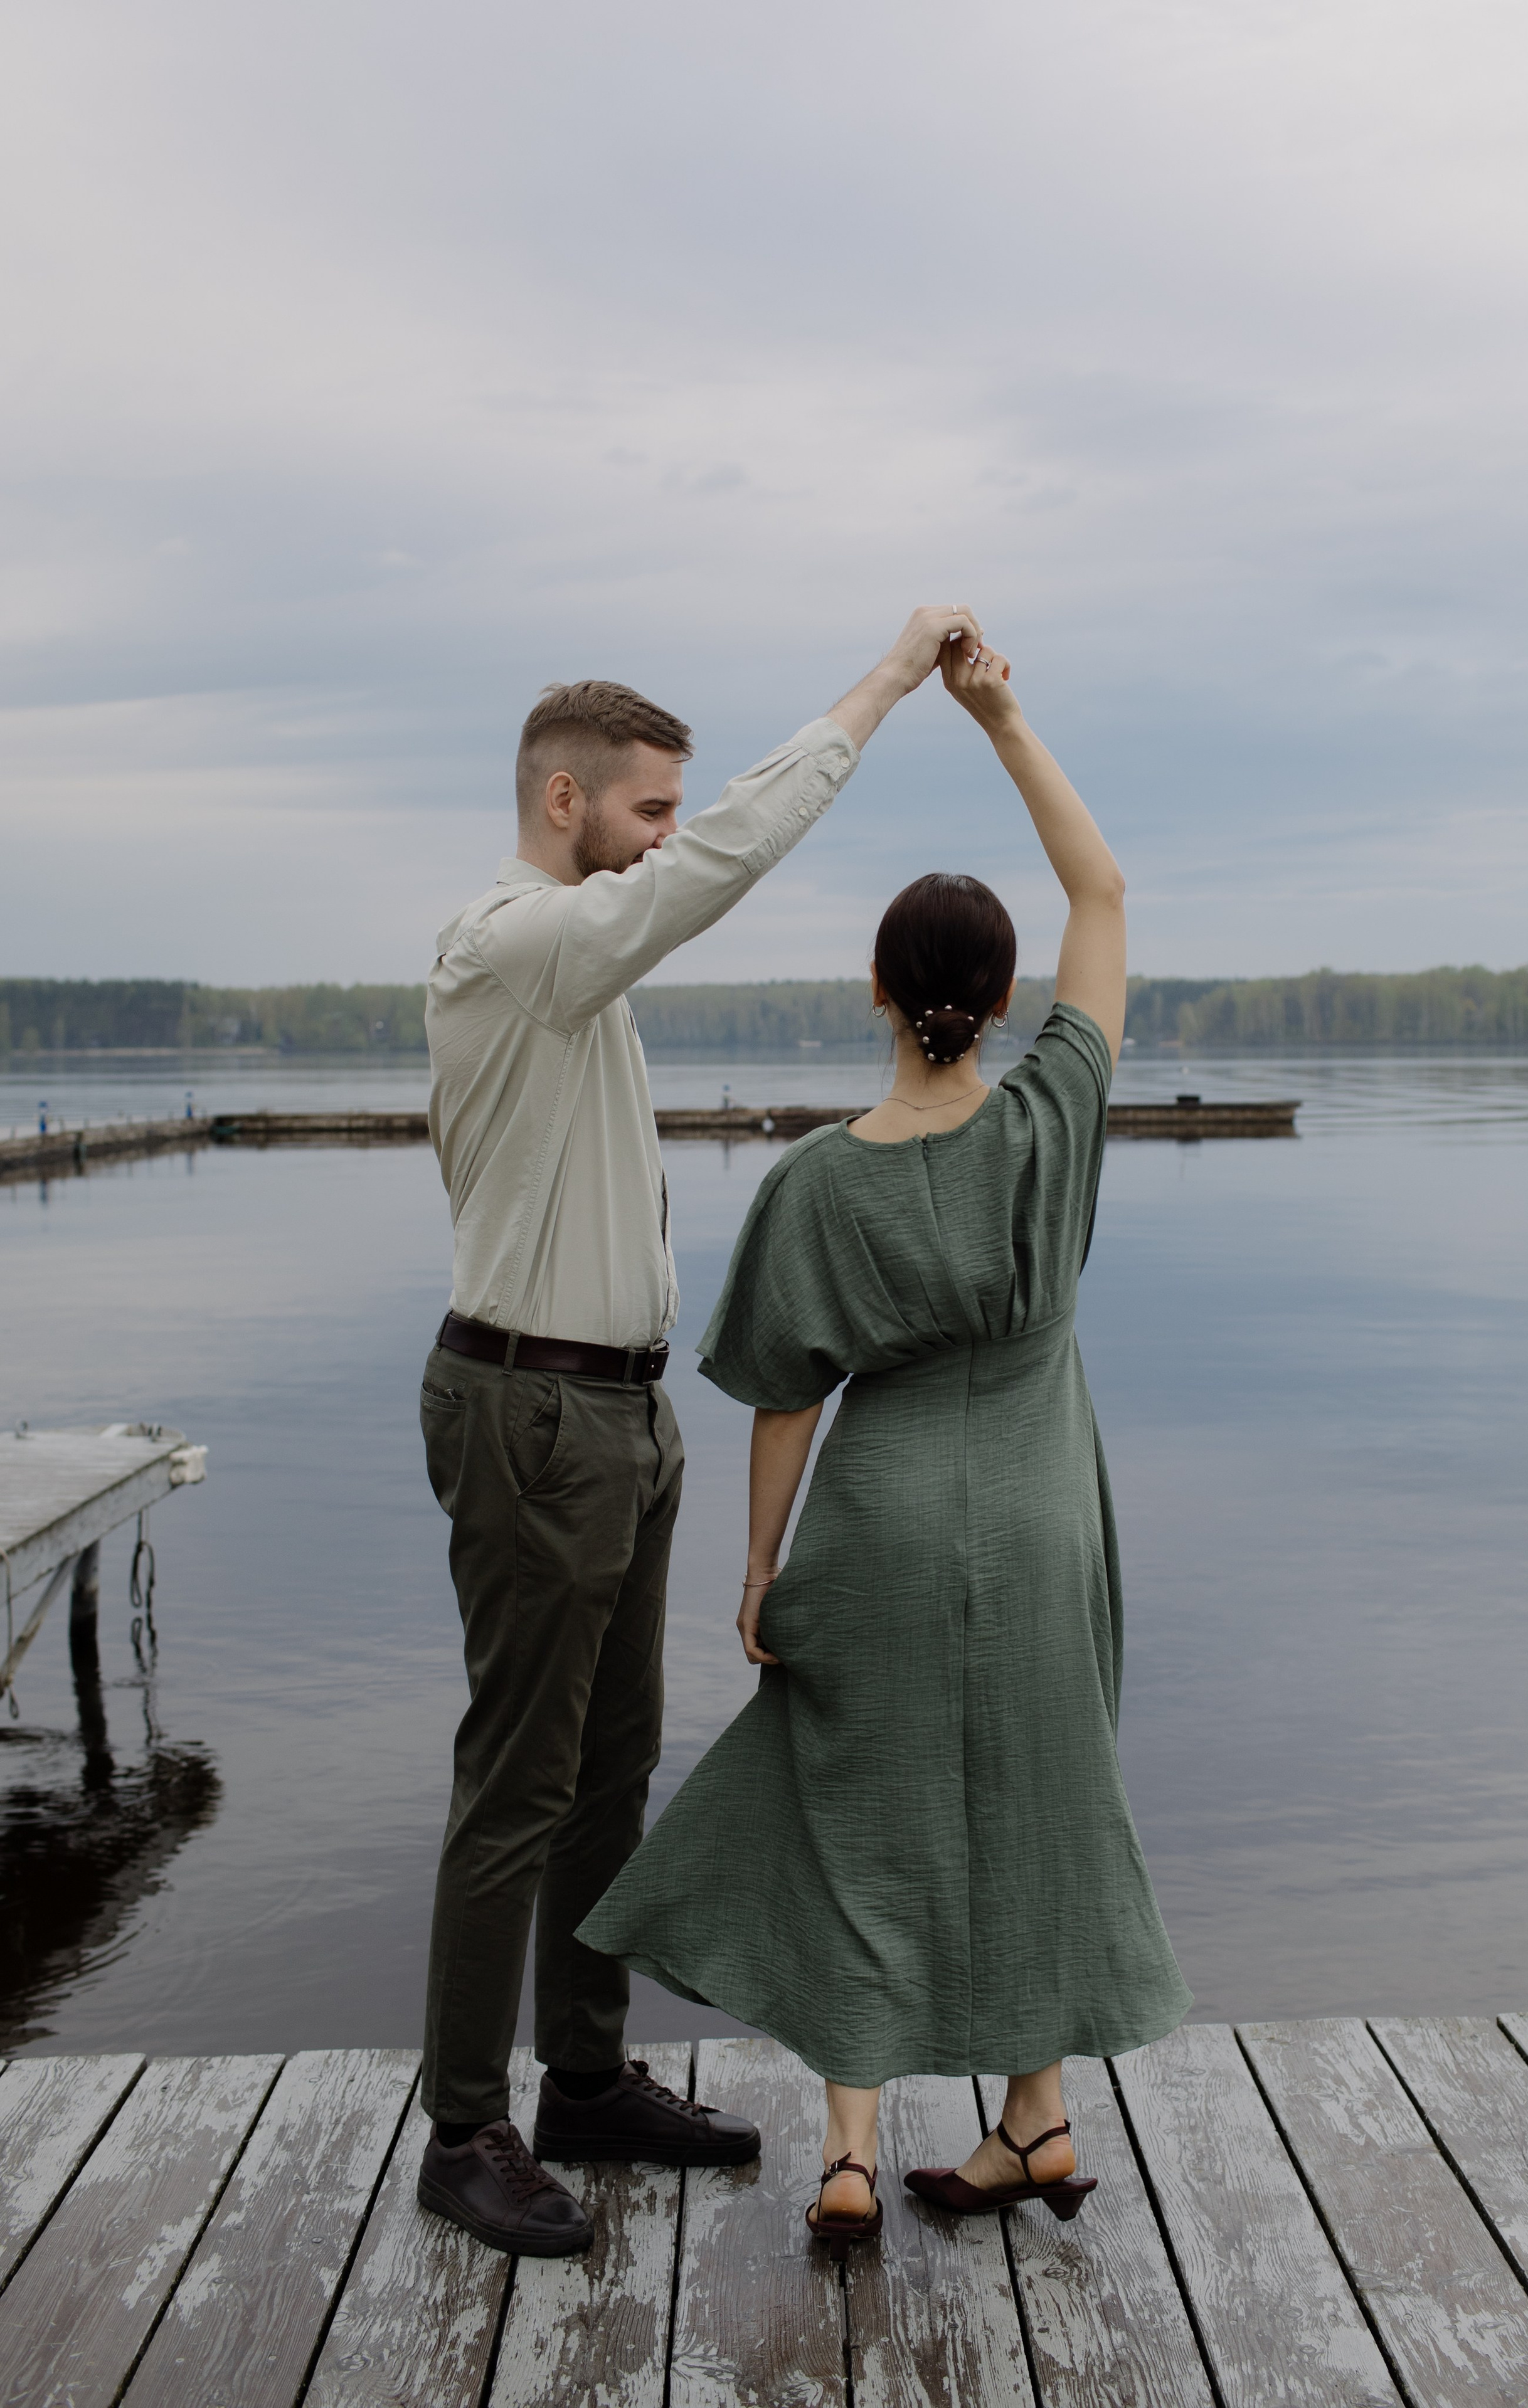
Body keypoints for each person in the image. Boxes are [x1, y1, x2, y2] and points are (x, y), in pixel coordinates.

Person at [579, 628, 1192, 2256]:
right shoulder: (1057, 1117)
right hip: (1048, 1515)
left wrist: (763, 1571)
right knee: (1039, 1798)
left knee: (859, 1811)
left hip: (882, 1522)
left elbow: (787, 1397)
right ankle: (1037, 2121)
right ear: (1000, 1002)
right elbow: (1107, 895)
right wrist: (1001, 717)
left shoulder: (817, 1181)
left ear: (875, 992)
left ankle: (851, 2159)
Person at [415, 604, 991, 2258]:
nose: (666, 838)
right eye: (646, 810)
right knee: (514, 1782)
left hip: (611, 1407)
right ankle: (465, 2130)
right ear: (562, 804)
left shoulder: (570, 960)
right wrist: (884, 687)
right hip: (530, 1409)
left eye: (672, 807)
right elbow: (719, 863)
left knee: (607, 1771)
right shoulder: (512, 941)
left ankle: (584, 2082)